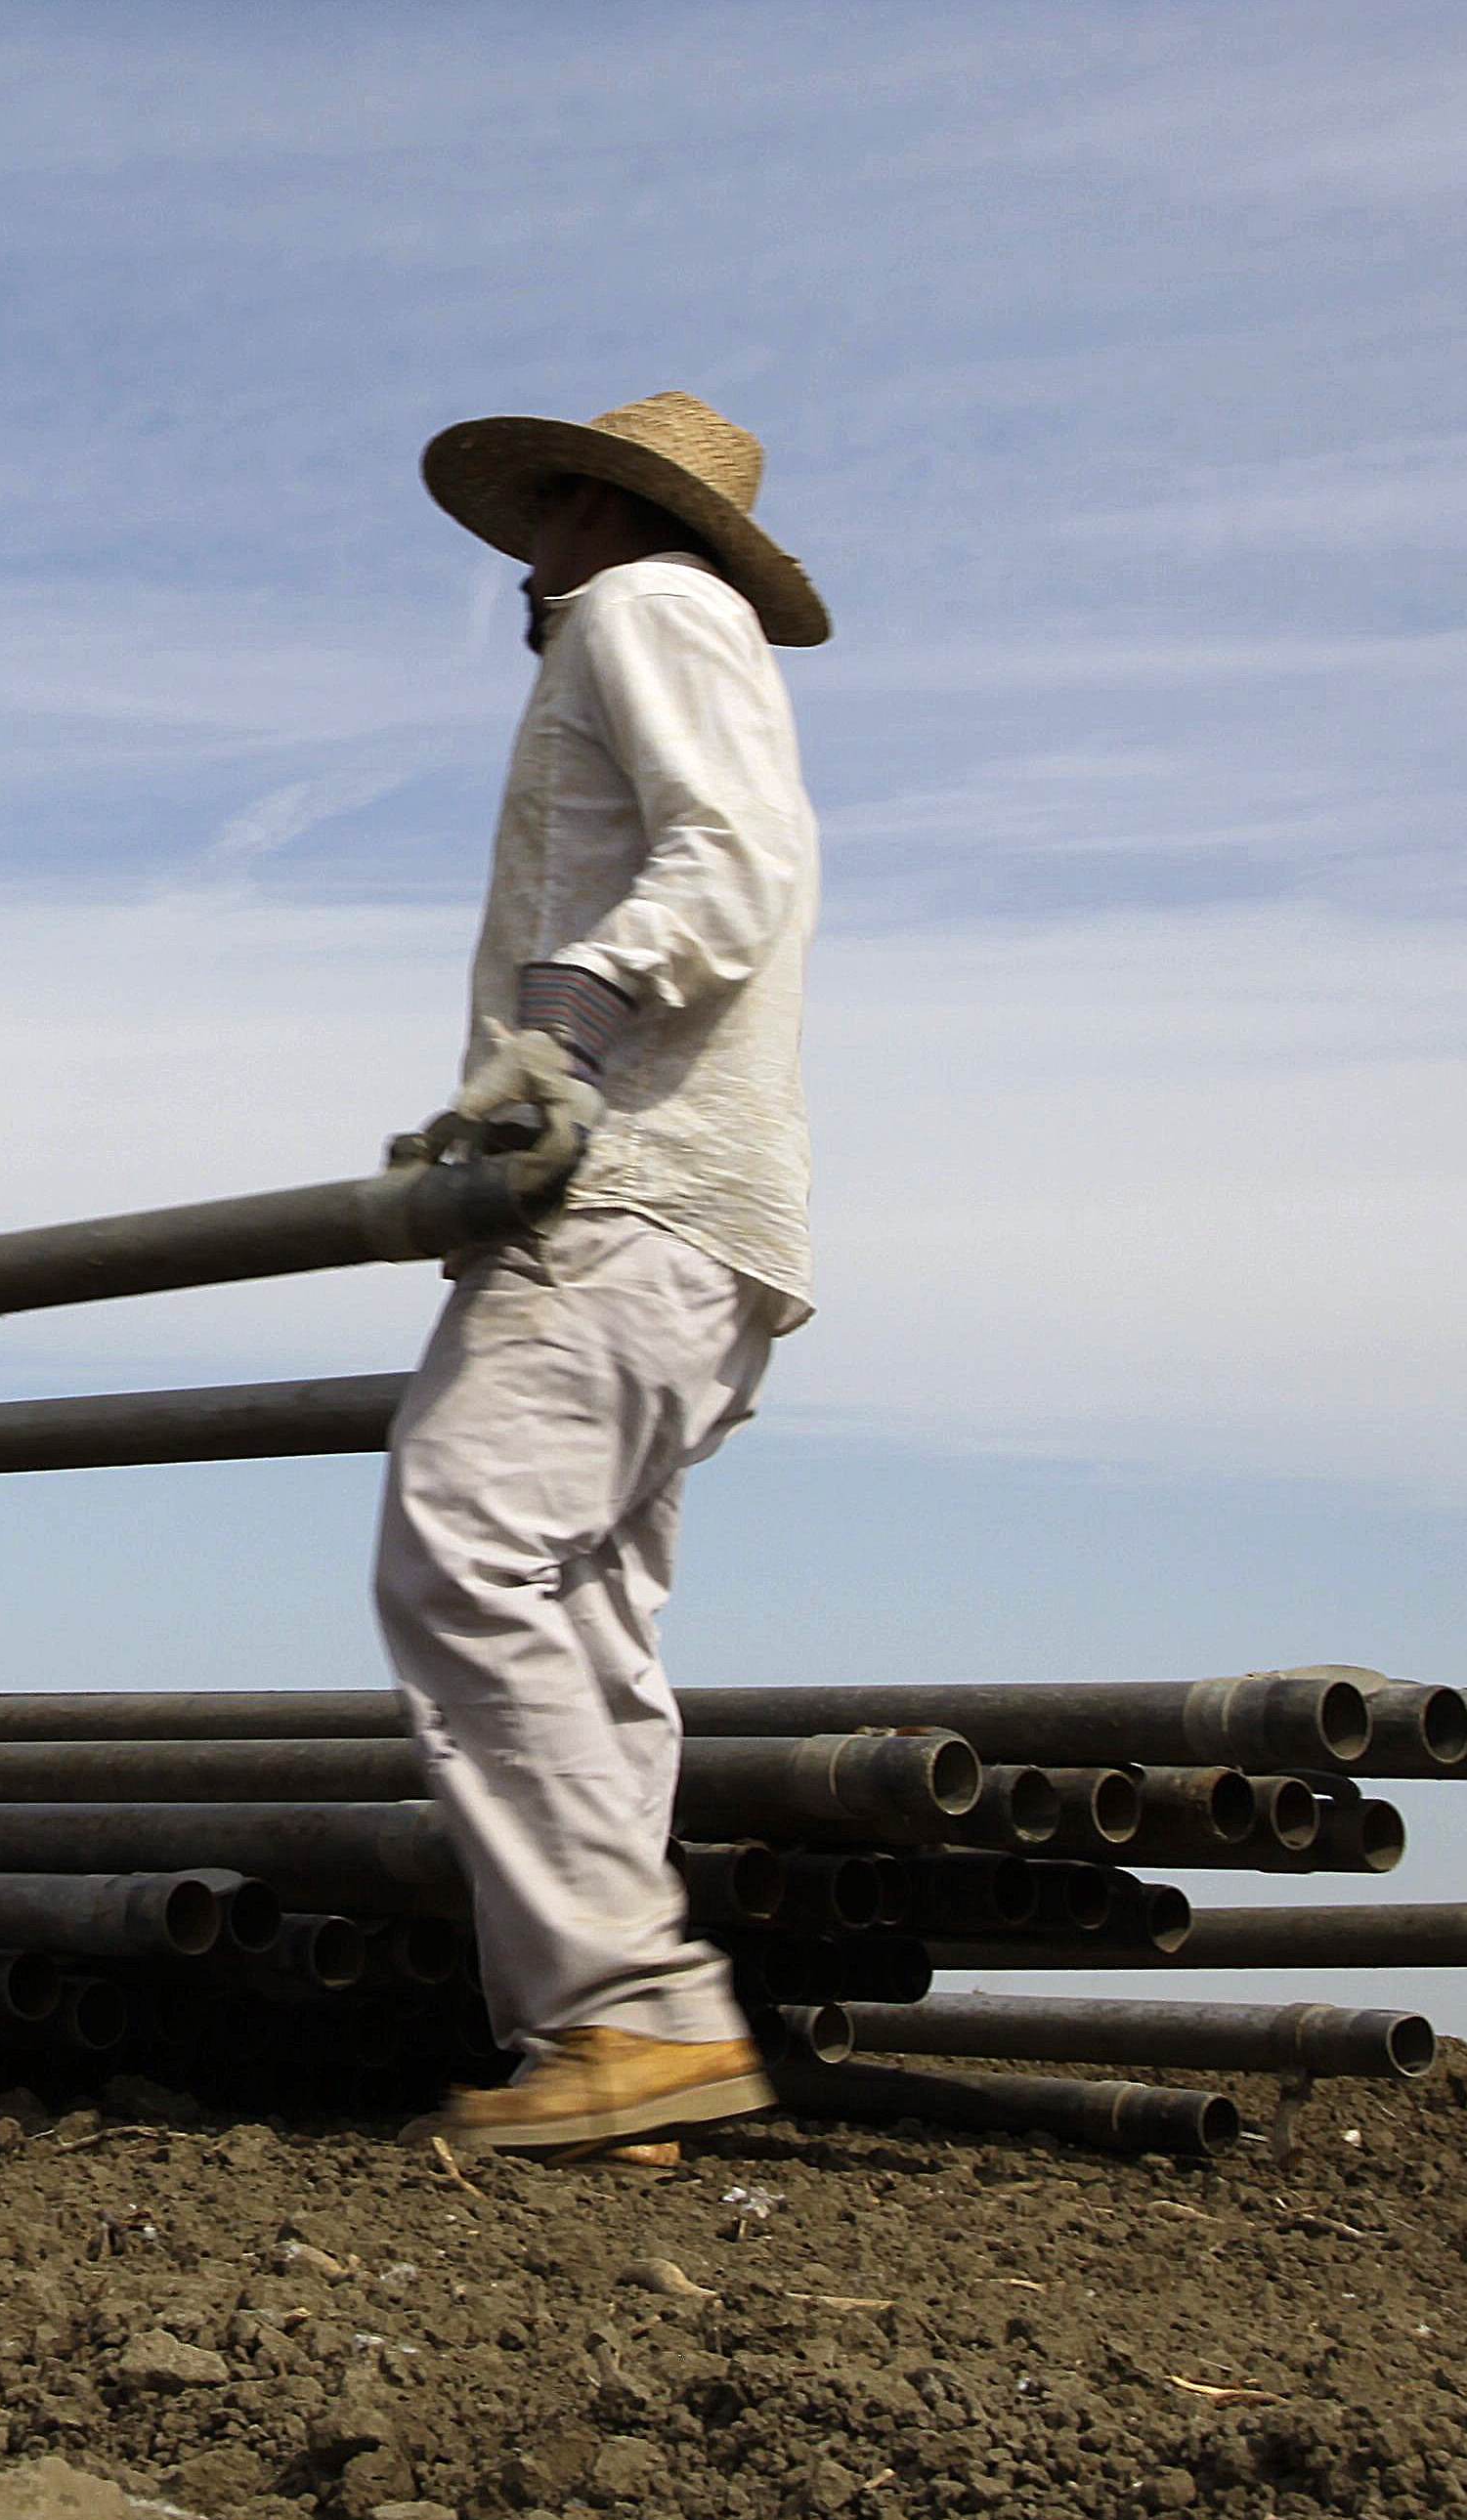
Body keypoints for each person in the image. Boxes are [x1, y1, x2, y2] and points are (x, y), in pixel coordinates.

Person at [376, 392, 825, 2155]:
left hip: (622, 1191)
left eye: (535, 524)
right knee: (581, 1613)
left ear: (587, 509)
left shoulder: (649, 610)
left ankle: (628, 2011)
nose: (520, 563)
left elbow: (729, 853)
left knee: (460, 1540)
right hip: (698, 1216)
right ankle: (605, 2058)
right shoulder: (666, 630)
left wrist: (564, 1018)